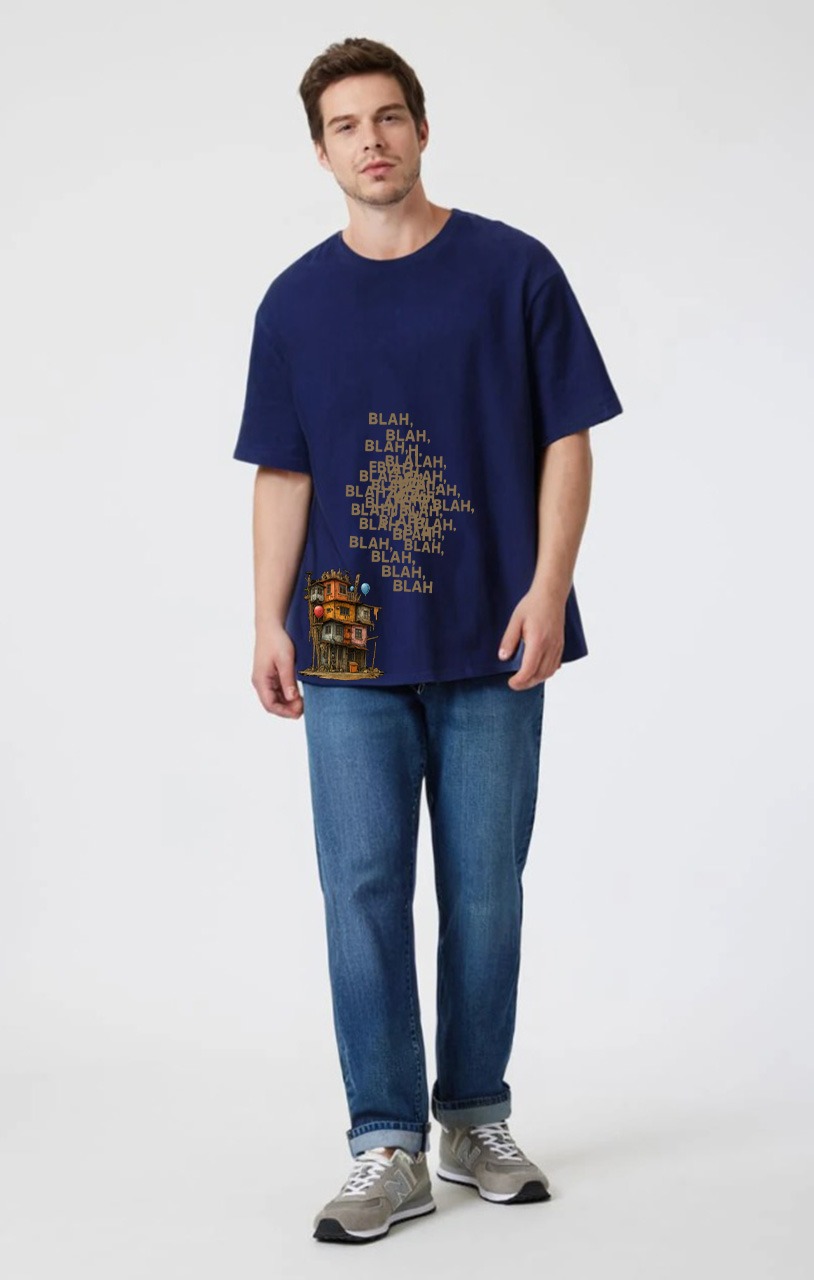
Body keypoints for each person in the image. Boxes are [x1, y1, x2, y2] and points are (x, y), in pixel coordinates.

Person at [233, 36, 623, 1244]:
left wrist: (550, 587)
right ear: (320, 152)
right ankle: (386, 1140)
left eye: (389, 116)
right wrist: (265, 618)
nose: (372, 140)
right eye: (346, 125)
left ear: (421, 128)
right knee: (360, 889)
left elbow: (566, 437)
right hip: (344, 639)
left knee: (484, 889)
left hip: (494, 628)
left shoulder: (512, 270)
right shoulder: (295, 301)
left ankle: (474, 1115)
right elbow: (282, 470)